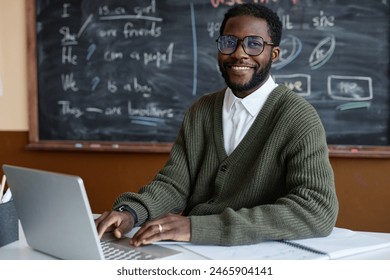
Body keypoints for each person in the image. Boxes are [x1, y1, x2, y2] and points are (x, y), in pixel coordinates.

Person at [96, 3, 338, 246]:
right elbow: (175, 184)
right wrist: (132, 212)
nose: (239, 53)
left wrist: (199, 227)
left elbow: (317, 209)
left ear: (273, 54)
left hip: (255, 254)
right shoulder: (201, 110)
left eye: (254, 44)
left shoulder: (298, 118)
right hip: (194, 250)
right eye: (229, 42)